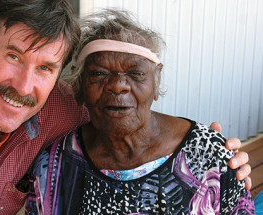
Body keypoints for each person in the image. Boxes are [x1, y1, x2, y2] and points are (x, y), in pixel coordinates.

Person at [0, 0, 250, 214]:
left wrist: (212, 151)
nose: (24, 86)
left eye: (45, 67)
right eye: (14, 56)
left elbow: (125, 110)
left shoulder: (62, 110)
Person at [25, 9, 255, 214]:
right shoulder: (55, 163)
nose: (118, 85)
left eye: (136, 73)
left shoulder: (210, 154)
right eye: (99, 73)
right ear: (79, 86)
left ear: (156, 81)